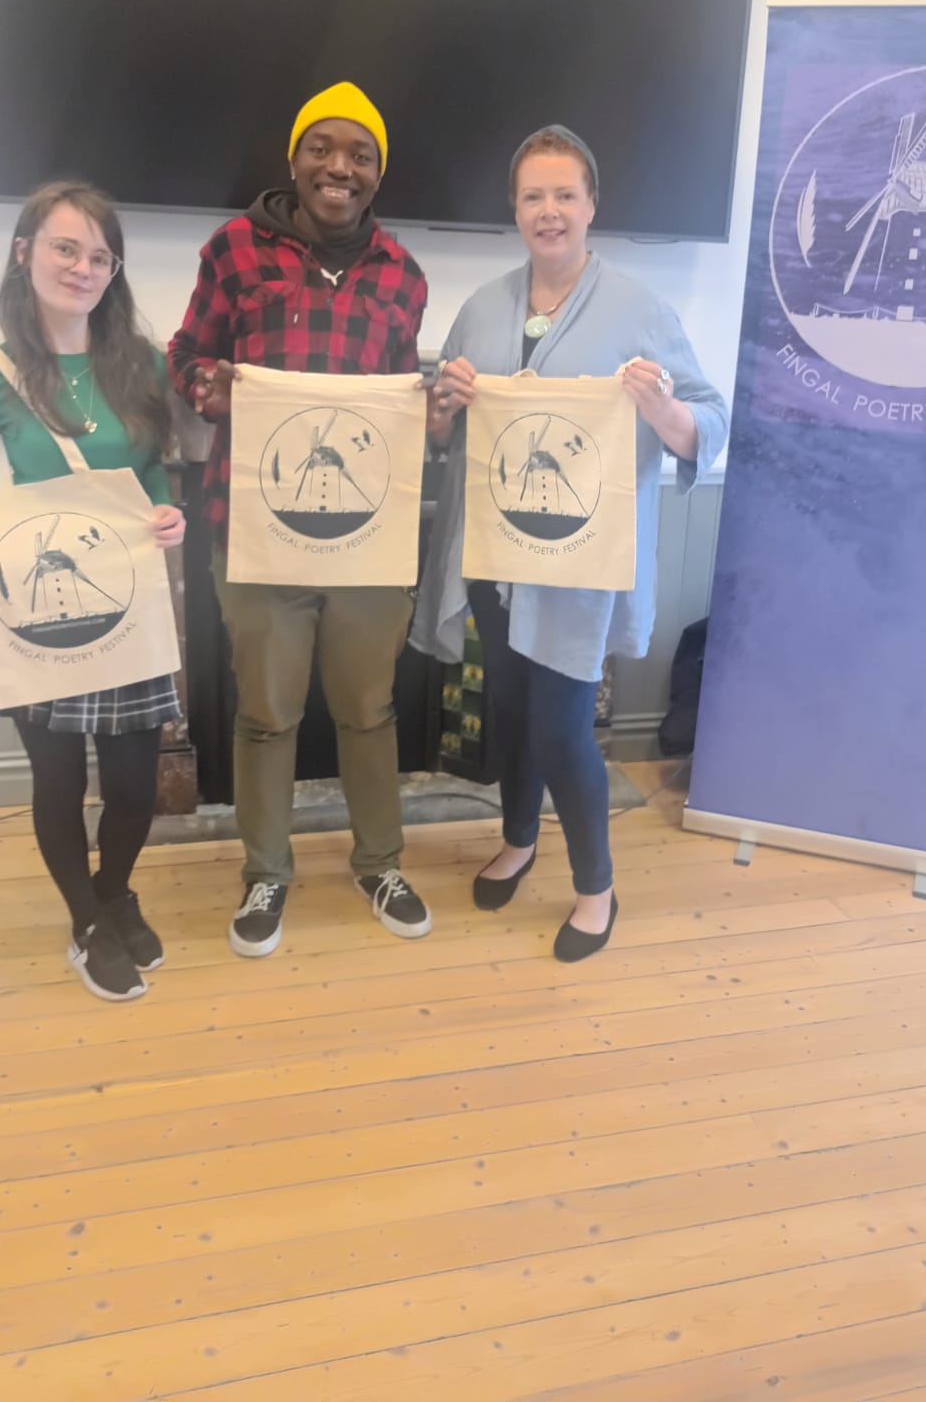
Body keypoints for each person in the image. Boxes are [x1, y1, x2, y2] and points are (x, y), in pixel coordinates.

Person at [411, 125, 729, 961]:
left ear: (591, 205)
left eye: (563, 195)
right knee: (511, 715)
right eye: (532, 196)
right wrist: (443, 407)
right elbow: (441, 433)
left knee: (560, 728)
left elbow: (709, 421)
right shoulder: (483, 307)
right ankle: (518, 840)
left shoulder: (639, 309)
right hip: (494, 556)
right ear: (514, 208)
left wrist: (661, 409)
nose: (547, 211)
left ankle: (597, 888)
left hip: (576, 566)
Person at [167, 82, 432, 958]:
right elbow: (186, 353)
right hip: (255, 532)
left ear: (378, 172)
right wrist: (204, 387)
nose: (339, 167)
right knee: (267, 713)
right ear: (294, 159)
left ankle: (379, 863)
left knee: (368, 708)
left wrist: (430, 414)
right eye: (323, 148)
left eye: (360, 154)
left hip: (365, 538)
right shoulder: (233, 249)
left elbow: (398, 402)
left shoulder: (404, 276)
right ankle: (266, 872)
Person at [0, 180, 186, 1002]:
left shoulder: (142, 363)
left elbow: (149, 470)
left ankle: (114, 892)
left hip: (126, 603)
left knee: (135, 786)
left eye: (101, 256)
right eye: (66, 248)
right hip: (34, 617)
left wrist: (165, 510)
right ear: (24, 252)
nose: (83, 268)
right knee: (60, 782)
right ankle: (87, 922)